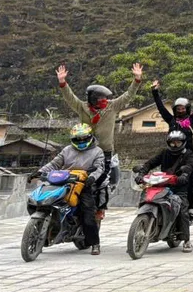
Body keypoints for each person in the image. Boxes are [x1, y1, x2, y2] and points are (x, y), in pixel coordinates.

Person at [55, 62, 143, 213]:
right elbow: (70, 98)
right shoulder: (82, 107)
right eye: (101, 98)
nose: (105, 100)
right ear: (93, 99)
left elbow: (128, 96)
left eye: (105, 98)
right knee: (74, 177)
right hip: (84, 150)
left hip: (105, 150)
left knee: (101, 180)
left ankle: (100, 209)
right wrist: (63, 83)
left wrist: (136, 80)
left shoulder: (112, 106)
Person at [37, 123, 106, 255]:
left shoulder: (97, 151)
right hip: (63, 181)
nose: (81, 142)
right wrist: (39, 172)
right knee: (45, 200)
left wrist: (91, 178)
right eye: (77, 139)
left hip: (84, 184)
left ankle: (95, 244)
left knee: (88, 214)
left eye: (84, 138)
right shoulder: (67, 150)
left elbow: (99, 168)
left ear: (90, 137)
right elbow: (54, 164)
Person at [150, 78, 193, 211]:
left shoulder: (192, 119)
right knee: (165, 179)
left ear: (187, 109)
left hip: (187, 156)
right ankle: (164, 203)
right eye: (178, 108)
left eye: (183, 108)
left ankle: (190, 210)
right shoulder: (171, 120)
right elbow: (160, 108)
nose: (180, 110)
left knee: (188, 183)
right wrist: (155, 91)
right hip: (170, 155)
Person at [133, 129, 193, 252]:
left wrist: (184, 175)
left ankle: (187, 240)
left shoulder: (188, 154)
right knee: (146, 197)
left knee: (182, 208)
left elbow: (189, 166)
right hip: (162, 184)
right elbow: (150, 163)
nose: (175, 145)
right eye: (172, 143)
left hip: (178, 187)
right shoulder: (165, 152)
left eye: (178, 142)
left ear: (183, 142)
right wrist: (141, 173)